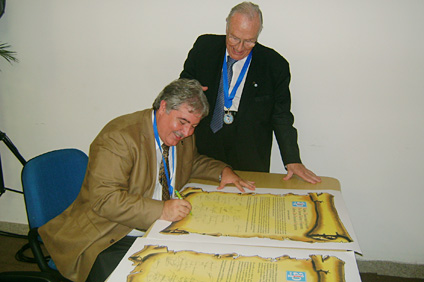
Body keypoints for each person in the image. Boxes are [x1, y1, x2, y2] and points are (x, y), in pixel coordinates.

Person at [38, 79, 255, 282]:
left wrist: (222, 171)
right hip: (108, 235)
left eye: (194, 126)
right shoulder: (119, 138)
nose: (187, 132)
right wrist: (161, 210)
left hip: (154, 228)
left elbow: (191, 162)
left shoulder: (180, 133)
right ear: (163, 107)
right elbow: (104, 200)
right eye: (183, 122)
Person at [180, 2, 321, 184]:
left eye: (249, 41)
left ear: (258, 33)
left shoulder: (275, 66)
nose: (240, 48)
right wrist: (190, 90)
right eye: (234, 38)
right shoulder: (204, 48)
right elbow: (181, 87)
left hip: (250, 153)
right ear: (227, 26)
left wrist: (292, 158)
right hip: (204, 150)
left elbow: (281, 116)